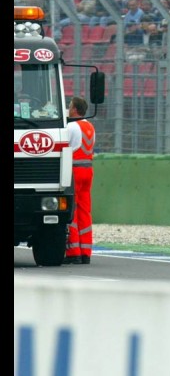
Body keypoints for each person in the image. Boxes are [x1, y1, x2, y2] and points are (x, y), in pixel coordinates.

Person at [64, 97, 95, 265]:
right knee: (85, 210)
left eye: (69, 106)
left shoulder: (71, 126)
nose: (68, 109)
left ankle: (73, 251)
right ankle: (86, 252)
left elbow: (63, 146)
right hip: (88, 170)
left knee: (72, 211)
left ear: (75, 109)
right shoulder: (90, 126)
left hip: (74, 171)